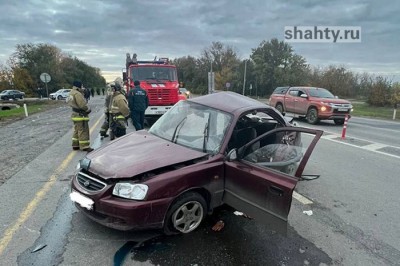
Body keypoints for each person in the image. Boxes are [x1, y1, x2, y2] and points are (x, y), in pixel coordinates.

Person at [66, 81, 93, 152]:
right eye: (81, 86)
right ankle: (85, 146)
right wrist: (88, 109)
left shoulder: (71, 92)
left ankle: (75, 145)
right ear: (78, 86)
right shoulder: (77, 94)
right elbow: (82, 105)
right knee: (83, 130)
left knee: (77, 129)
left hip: (74, 114)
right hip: (80, 115)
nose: (82, 87)